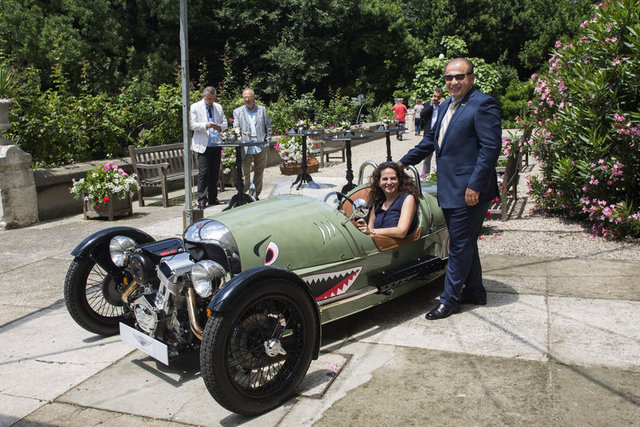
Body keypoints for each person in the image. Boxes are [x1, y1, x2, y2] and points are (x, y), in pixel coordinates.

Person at [398, 58, 501, 320]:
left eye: (459, 77)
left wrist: (475, 185)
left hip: (469, 191)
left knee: (458, 244)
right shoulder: (445, 105)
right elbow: (430, 141)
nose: (453, 82)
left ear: (471, 77)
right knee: (464, 241)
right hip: (449, 187)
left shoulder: (483, 104)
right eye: (449, 77)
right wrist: (401, 163)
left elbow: (490, 149)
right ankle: (475, 291)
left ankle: (450, 299)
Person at [356, 162, 419, 239]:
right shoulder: (377, 201)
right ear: (379, 182)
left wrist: (372, 231)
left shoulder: (407, 198)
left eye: (393, 178)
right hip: (377, 243)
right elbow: (369, 229)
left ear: (399, 181)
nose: (389, 182)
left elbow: (401, 232)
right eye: (385, 179)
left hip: (398, 244)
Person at [190, 86, 227, 210]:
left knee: (214, 172)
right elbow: (192, 125)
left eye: (213, 99)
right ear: (204, 96)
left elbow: (225, 122)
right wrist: (206, 125)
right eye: (209, 99)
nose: (211, 101)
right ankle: (202, 199)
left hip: (215, 143)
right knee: (204, 173)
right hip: (203, 145)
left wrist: (219, 127)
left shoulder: (218, 107)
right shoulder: (195, 107)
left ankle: (213, 197)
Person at [233, 88, 272, 200]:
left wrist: (267, 141)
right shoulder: (238, 111)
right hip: (246, 146)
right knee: (245, 173)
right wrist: (238, 136)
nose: (247, 100)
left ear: (254, 98)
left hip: (260, 145)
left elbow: (268, 127)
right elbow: (236, 127)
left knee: (259, 172)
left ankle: (254, 195)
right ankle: (243, 194)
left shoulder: (262, 110)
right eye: (245, 98)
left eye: (249, 97)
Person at [419, 88, 445, 176]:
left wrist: (442, 105)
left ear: (442, 97)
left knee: (440, 157)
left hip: (440, 134)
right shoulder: (428, 104)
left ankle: (439, 176)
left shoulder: (445, 105)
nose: (436, 99)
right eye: (434, 96)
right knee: (426, 157)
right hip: (429, 133)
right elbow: (422, 115)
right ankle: (424, 175)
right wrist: (430, 106)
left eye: (438, 97)